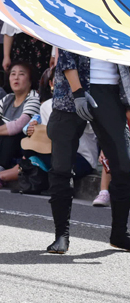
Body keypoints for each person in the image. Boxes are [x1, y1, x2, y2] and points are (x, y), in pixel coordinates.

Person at [45, 51, 130, 253]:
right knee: (61, 166)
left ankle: (119, 234)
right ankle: (61, 236)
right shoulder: (75, 16)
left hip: (111, 92)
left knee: (124, 164)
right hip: (71, 91)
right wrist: (78, 93)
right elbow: (65, 54)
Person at [1, 22, 52, 88]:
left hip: (42, 42)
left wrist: (53, 55)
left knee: (41, 79)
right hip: (21, 44)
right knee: (19, 74)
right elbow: (8, 32)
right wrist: (6, 56)